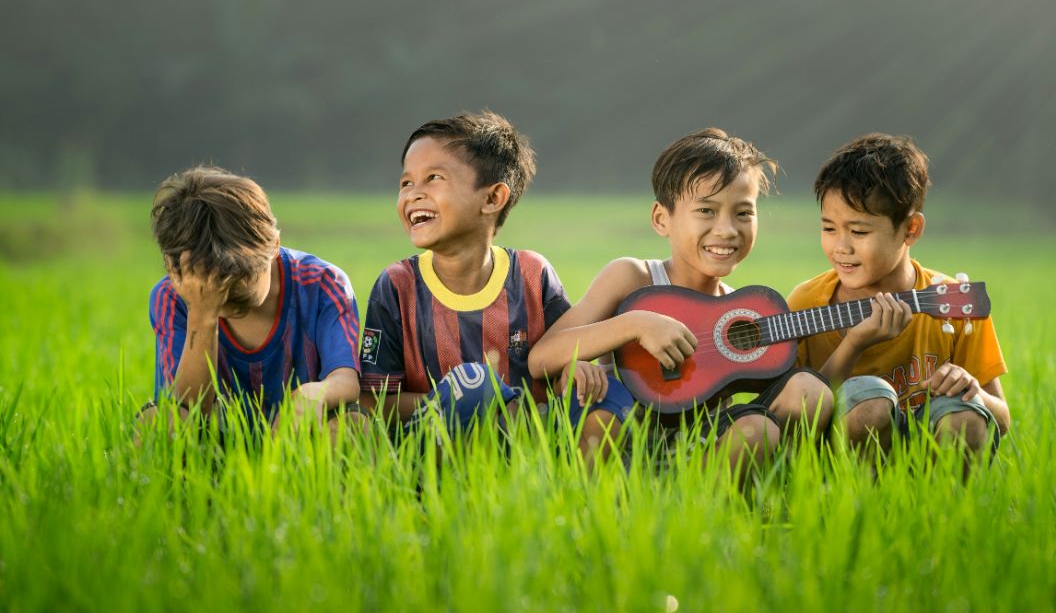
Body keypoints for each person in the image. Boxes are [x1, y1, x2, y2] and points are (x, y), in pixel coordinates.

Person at [528, 128, 832, 486]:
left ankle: (710, 511)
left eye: (743, 213)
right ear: (662, 219)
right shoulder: (634, 277)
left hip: (701, 453)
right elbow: (541, 358)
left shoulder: (742, 312)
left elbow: (798, 396)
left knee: (771, 420)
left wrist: (860, 337)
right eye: (706, 210)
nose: (727, 229)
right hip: (624, 443)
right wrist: (635, 324)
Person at [358, 110, 633, 461]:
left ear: (492, 198)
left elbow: (560, 357)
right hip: (436, 449)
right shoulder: (397, 286)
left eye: (433, 178)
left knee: (611, 393)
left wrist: (575, 369)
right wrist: (478, 400)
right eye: (406, 183)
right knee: (476, 383)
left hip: (530, 440)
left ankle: (576, 491)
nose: (414, 194)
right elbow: (375, 401)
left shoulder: (532, 274)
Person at [786, 133, 1011, 463]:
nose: (841, 247)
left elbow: (1002, 420)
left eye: (859, 232)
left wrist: (973, 391)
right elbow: (791, 423)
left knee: (966, 418)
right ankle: (861, 508)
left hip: (925, 455)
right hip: (837, 463)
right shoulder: (806, 301)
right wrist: (854, 344)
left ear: (911, 230)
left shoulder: (952, 302)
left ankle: (946, 511)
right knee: (869, 406)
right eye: (829, 228)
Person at [142, 166, 362, 438]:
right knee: (158, 423)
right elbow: (186, 407)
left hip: (302, 435)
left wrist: (313, 393)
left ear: (273, 246)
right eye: (206, 282)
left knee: (350, 425)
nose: (219, 293)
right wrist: (202, 313)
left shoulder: (323, 284)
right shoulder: (172, 297)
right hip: (216, 440)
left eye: (234, 279)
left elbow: (346, 379)